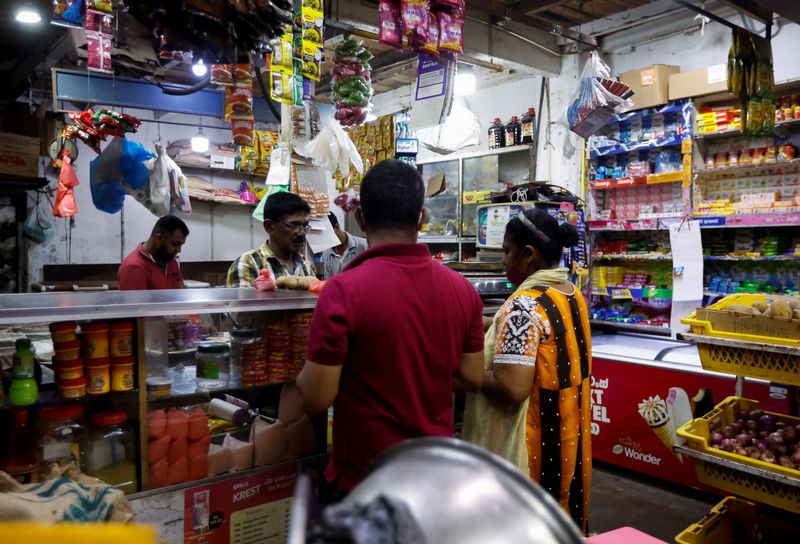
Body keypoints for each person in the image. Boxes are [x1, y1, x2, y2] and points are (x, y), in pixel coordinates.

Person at [295, 160, 485, 497]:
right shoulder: (462, 290)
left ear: (359, 218)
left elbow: (314, 398)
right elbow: (471, 377)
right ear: (422, 217)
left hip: (367, 482)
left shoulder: (342, 290)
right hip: (434, 477)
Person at [462, 207, 591, 534]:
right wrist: (480, 324)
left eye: (507, 251)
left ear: (528, 255)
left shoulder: (525, 304)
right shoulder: (570, 294)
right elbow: (530, 335)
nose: (504, 260)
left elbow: (512, 387)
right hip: (568, 437)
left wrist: (463, 373)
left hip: (533, 445)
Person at [226, 192, 315, 287]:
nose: (302, 232)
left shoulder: (304, 264)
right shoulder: (248, 263)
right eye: (293, 225)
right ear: (269, 227)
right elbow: (242, 301)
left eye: (305, 226)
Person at [118, 215, 189, 290]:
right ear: (159, 238)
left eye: (181, 245)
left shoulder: (170, 260)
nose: (179, 250)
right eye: (175, 244)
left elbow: (181, 294)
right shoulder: (134, 268)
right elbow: (136, 301)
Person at [320, 212, 367, 279]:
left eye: (327, 234)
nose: (326, 238)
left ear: (337, 226)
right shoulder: (325, 254)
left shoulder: (364, 246)